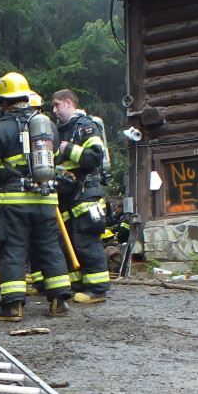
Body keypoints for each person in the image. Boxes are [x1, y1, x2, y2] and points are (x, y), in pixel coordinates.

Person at [0, 73, 72, 321]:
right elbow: (56, 159)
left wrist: (4, 177)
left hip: (13, 202)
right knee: (50, 247)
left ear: (4, 101)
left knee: (13, 250)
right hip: (46, 199)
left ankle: (12, 307)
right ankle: (59, 302)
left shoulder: (0, 129)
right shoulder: (48, 126)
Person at [51, 88, 112, 304]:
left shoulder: (86, 127)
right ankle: (77, 284)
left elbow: (95, 157)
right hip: (68, 196)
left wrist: (69, 149)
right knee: (70, 240)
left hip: (86, 194)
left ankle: (98, 289)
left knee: (87, 240)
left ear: (69, 103)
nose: (54, 110)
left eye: (57, 105)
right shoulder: (62, 130)